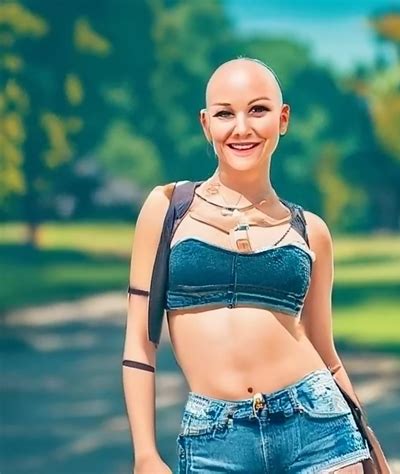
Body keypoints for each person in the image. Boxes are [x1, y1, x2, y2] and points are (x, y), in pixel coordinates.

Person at [123, 57, 372, 473]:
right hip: (214, 440)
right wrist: (145, 454)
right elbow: (139, 341)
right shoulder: (167, 208)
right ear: (206, 124)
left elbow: (327, 355)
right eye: (225, 114)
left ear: (283, 118)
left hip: (318, 426)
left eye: (258, 109)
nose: (242, 128)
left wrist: (369, 446)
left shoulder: (312, 232)